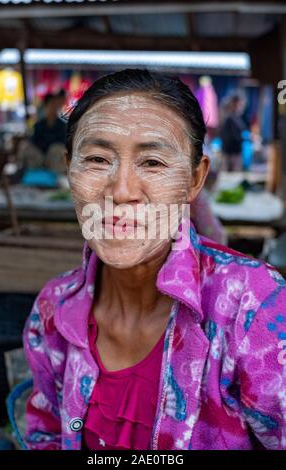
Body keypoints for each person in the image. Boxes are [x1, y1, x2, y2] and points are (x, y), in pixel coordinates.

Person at [21, 69, 286, 450]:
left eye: (153, 163)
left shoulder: (254, 304)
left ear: (195, 180)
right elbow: (45, 434)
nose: (122, 190)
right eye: (96, 159)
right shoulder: (53, 309)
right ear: (69, 167)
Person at [18, 93, 67, 174]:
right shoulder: (39, 125)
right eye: (51, 105)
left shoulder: (62, 126)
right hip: (39, 156)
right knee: (25, 146)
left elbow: (63, 142)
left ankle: (56, 176)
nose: (53, 108)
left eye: (55, 105)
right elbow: (34, 140)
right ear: (46, 106)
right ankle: (28, 173)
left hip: (54, 158)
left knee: (57, 149)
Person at [220, 92, 247, 172]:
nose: (242, 107)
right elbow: (231, 136)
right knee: (231, 175)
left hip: (234, 152)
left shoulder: (236, 117)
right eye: (240, 104)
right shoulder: (230, 118)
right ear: (234, 104)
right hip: (231, 153)